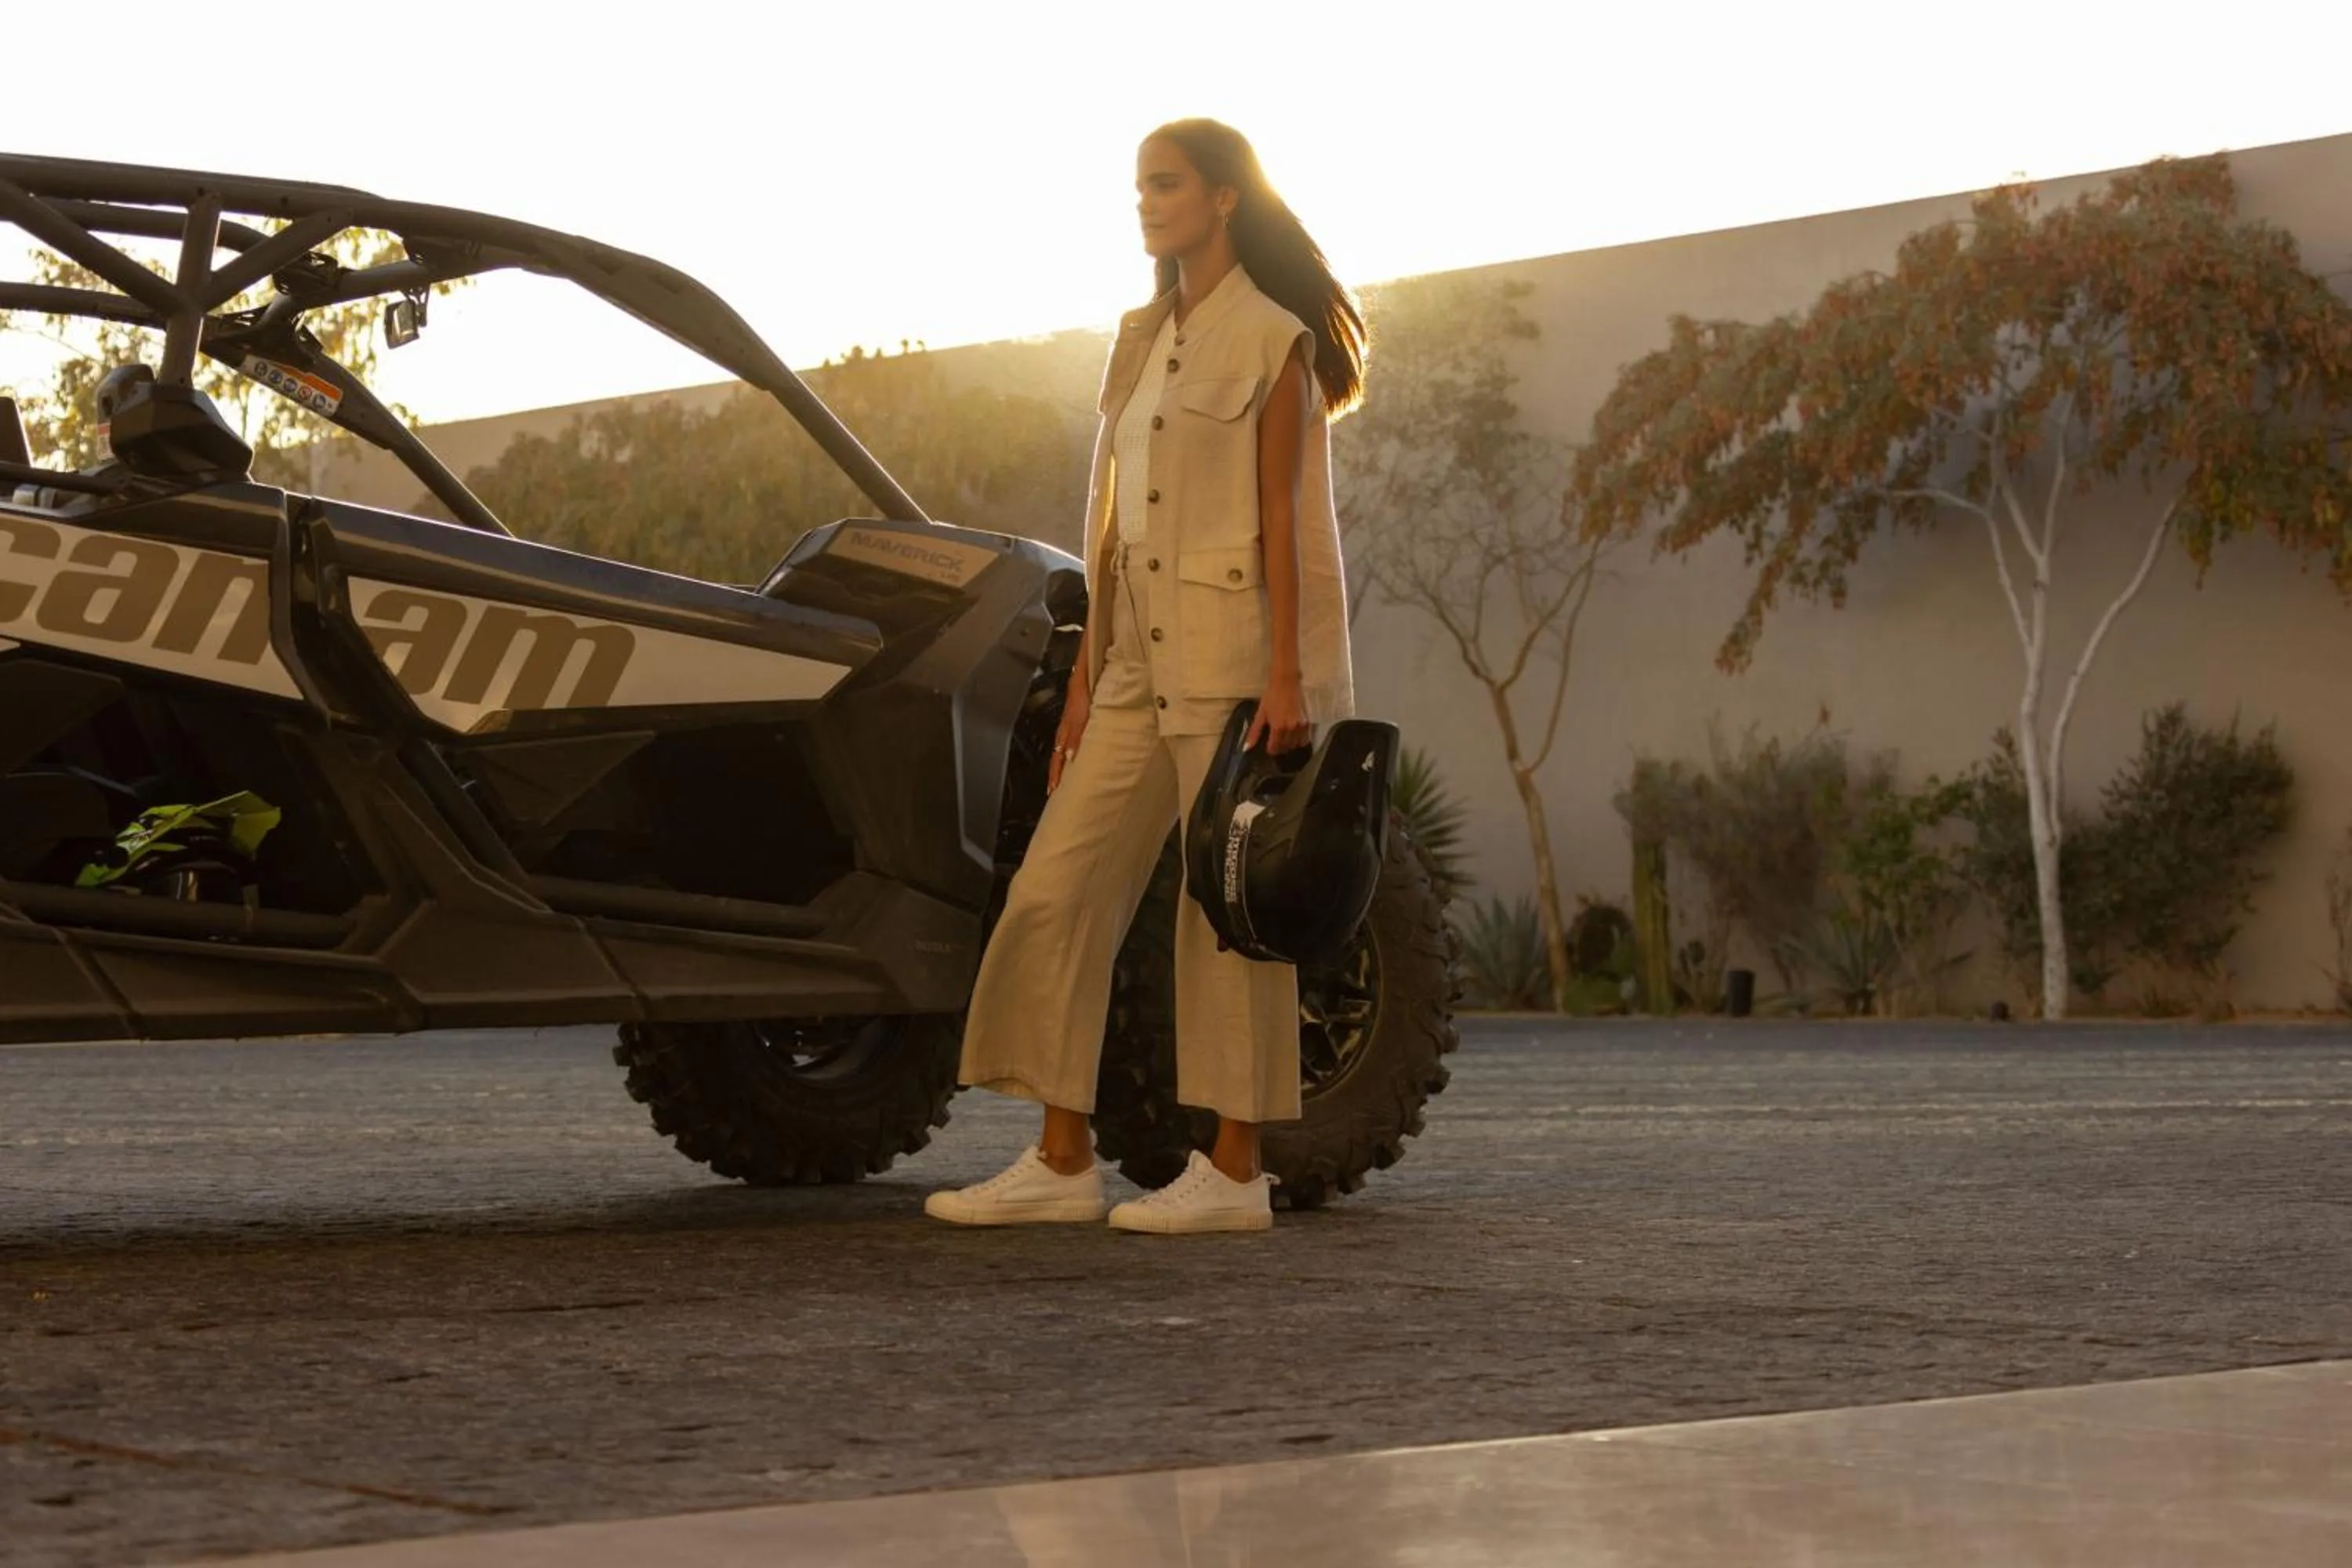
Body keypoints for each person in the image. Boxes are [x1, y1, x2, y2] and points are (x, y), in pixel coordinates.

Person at [924, 118, 1366, 1235]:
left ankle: (1233, 1173)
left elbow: (1289, 525)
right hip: (1131, 666)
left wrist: (1291, 681)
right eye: (1138, 188)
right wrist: (1085, 674)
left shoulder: (1274, 341)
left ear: (1223, 199)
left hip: (1233, 666)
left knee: (1224, 915)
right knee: (1055, 890)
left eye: (1164, 185)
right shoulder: (1136, 339)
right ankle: (1061, 1159)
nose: (1145, 204)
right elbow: (1111, 527)